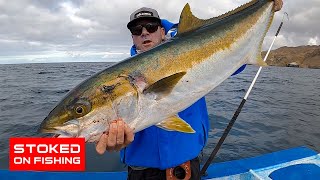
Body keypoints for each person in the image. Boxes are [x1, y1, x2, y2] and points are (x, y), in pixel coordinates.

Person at [96, 1, 283, 179]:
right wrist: (117, 141)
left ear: (162, 31)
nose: (144, 33)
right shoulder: (118, 77)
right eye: (137, 30)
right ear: (133, 38)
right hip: (141, 173)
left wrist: (266, 7)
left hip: (186, 168)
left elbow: (233, 64)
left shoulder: (192, 47)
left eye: (151, 27)